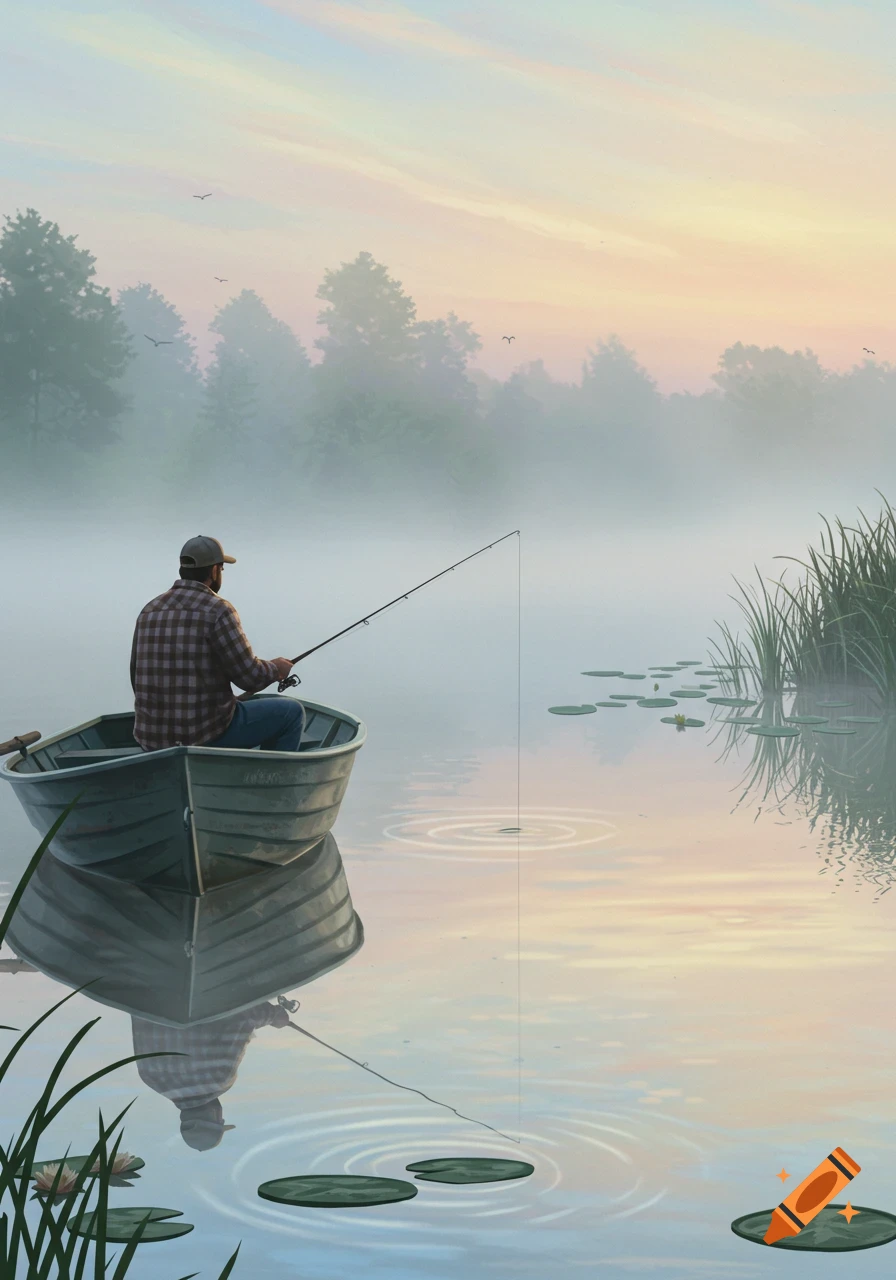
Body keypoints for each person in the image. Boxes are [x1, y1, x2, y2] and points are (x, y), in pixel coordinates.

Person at [130, 535, 304, 753]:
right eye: (221, 569)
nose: (221, 574)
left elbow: (134, 676)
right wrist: (277, 669)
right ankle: (272, 781)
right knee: (291, 713)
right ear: (213, 571)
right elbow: (249, 678)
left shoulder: (150, 610)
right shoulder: (218, 610)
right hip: (206, 735)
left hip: (152, 739)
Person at [131, 1001, 293, 1150]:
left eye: (220, 1120)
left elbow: (246, 1017)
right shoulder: (149, 1077)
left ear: (213, 1116)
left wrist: (275, 1016)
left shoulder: (219, 1080)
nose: (222, 1115)